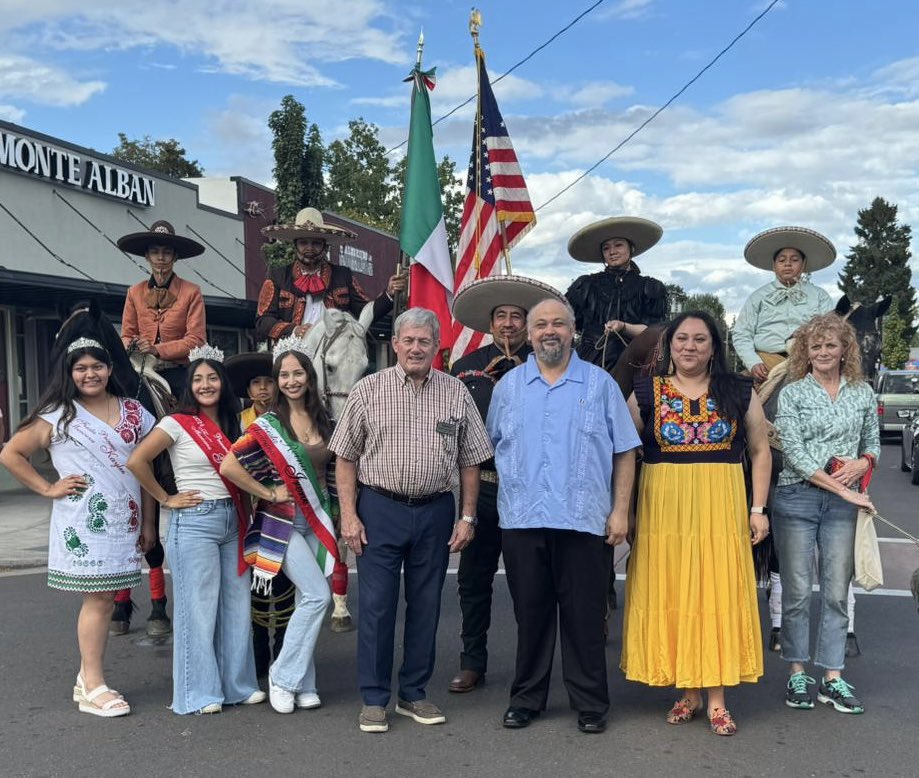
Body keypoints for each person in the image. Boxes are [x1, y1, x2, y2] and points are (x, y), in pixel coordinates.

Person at [330, 308, 493, 733]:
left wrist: (468, 516)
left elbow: (471, 460)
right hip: (379, 510)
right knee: (378, 606)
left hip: (436, 511)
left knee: (426, 606)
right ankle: (374, 697)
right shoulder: (368, 390)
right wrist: (349, 517)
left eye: (424, 341)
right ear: (396, 344)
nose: (416, 348)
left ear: (437, 347)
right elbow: (345, 458)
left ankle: (414, 693)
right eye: (409, 340)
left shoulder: (456, 392)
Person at [487, 297, 641, 735]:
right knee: (530, 617)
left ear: (572, 330)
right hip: (522, 519)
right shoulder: (508, 388)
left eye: (558, 323)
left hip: (584, 521)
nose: (549, 331)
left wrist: (621, 512)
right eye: (540, 325)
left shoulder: (599, 385)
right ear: (528, 334)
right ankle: (526, 700)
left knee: (585, 619)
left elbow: (625, 450)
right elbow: (492, 446)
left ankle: (590, 703)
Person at [620, 311, 771, 736]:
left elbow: (760, 451)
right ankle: (687, 692)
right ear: (669, 346)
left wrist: (757, 508)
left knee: (715, 592)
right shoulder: (645, 391)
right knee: (674, 591)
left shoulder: (739, 390)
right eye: (681, 338)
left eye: (700, 339)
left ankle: (718, 699)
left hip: (719, 511)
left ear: (713, 348)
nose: (690, 346)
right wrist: (625, 509)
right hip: (663, 513)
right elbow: (622, 450)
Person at [0, 337, 157, 717]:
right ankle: (92, 685)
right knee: (100, 599)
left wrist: (150, 522)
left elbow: (145, 466)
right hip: (85, 520)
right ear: (70, 374)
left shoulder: (134, 411)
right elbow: (11, 453)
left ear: (110, 370)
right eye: (81, 368)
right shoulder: (58, 414)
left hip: (128, 518)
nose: (91, 374)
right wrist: (48, 487)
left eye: (97, 366)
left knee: (107, 596)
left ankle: (88, 676)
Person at [127, 345, 265, 714]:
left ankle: (237, 685)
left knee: (237, 605)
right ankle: (200, 692)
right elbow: (137, 460)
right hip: (195, 522)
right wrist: (165, 498)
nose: (206, 385)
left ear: (223, 382)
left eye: (213, 377)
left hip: (234, 519)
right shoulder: (176, 422)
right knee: (199, 608)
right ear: (190, 386)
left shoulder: (235, 425)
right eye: (198, 379)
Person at [446, 275, 564, 694]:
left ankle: (529, 667)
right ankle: (471, 661)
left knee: (529, 582)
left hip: (532, 488)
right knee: (473, 580)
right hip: (484, 486)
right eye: (502, 317)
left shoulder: (549, 364)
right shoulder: (464, 368)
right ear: (491, 324)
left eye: (518, 317)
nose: (510, 324)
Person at [220, 338, 339, 715]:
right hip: (282, 524)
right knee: (319, 596)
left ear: (309, 377)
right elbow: (229, 466)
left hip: (319, 518)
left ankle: (306, 683)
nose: (290, 381)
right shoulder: (268, 425)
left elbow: (334, 471)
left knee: (308, 598)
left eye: (297, 373)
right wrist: (267, 493)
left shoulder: (325, 420)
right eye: (283, 375)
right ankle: (283, 676)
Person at [772, 313, 878, 715]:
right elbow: (794, 454)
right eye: (815, 346)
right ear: (805, 351)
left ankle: (832, 677)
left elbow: (872, 442)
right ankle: (798, 672)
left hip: (842, 503)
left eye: (830, 345)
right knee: (798, 592)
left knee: (836, 591)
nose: (822, 352)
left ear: (844, 350)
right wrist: (842, 489)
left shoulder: (862, 393)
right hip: (797, 499)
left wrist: (865, 463)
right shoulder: (794, 393)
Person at [225, 350, 295, 677]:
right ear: (248, 390)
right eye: (257, 383)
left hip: (281, 517)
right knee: (254, 590)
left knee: (283, 588)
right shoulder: (237, 422)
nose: (264, 388)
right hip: (249, 515)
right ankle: (256, 658)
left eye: (269, 381)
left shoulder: (291, 420)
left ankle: (282, 653)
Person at [255, 207, 406, 343]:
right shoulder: (277, 276)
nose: (309, 248)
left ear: (325, 246)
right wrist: (294, 330)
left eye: (316, 243)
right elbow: (263, 320)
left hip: (333, 353)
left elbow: (365, 313)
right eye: (303, 243)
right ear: (295, 245)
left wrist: (389, 294)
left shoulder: (342, 276)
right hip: (291, 353)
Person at [565, 216, 668, 372]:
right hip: (587, 362)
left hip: (635, 363)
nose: (612, 252)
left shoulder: (650, 288)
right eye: (606, 248)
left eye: (618, 245)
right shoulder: (585, 285)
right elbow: (565, 322)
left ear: (631, 248)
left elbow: (655, 332)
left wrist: (624, 327)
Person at [733, 226, 835, 382]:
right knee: (736, 397)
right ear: (774, 265)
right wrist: (753, 363)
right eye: (782, 260)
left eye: (794, 260)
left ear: (804, 265)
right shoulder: (757, 297)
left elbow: (833, 331)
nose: (788, 264)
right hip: (766, 363)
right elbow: (742, 333)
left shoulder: (820, 296)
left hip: (810, 363)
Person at [118, 220, 207, 396]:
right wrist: (134, 344)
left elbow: (197, 340)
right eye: (155, 252)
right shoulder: (134, 292)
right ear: (147, 256)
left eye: (166, 252)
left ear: (175, 257)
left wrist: (156, 349)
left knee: (192, 406)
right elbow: (127, 335)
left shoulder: (192, 291)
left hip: (179, 371)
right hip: (141, 369)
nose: (160, 258)